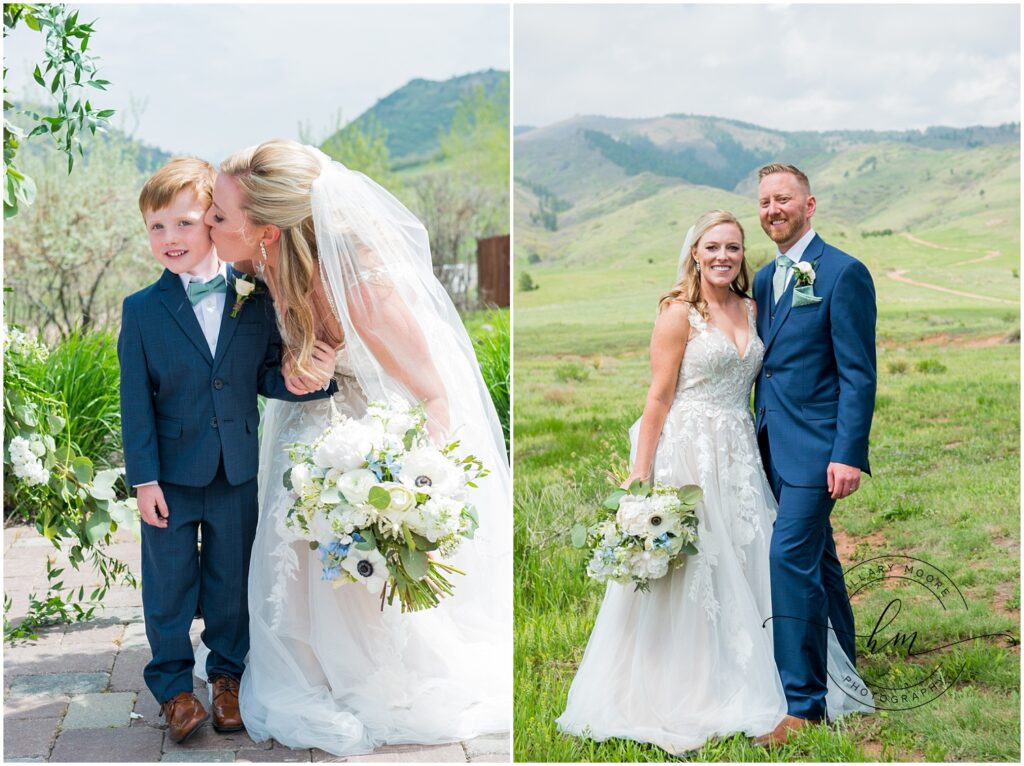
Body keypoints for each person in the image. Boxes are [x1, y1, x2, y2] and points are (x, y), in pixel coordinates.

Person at [202, 139, 511, 755]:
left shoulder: (359, 284)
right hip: (309, 426)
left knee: (353, 556)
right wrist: (293, 369)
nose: (207, 224)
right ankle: (308, 657)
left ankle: (376, 661)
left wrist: (404, 488)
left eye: (218, 215)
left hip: (374, 434)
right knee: (294, 554)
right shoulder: (257, 271)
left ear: (266, 232)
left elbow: (433, 393)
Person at [557, 209, 870, 755]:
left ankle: (784, 669)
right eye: (712, 248)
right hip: (689, 452)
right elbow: (657, 398)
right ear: (695, 255)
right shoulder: (678, 314)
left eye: (732, 247)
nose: (723, 256)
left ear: (741, 255)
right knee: (696, 567)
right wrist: (640, 476)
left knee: (756, 557)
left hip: (743, 453)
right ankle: (688, 683)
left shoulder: (755, 305)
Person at [118, 157, 337, 745]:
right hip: (169, 475)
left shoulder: (255, 295)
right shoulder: (140, 311)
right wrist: (143, 481)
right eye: (156, 227)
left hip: (236, 470)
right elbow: (134, 402)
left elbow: (264, 373)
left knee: (230, 580)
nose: (170, 239)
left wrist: (298, 379)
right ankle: (173, 689)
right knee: (168, 586)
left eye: (185, 223)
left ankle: (227, 677)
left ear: (214, 222)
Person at [752, 163, 876, 745]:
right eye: (765, 202)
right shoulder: (760, 279)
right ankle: (845, 673)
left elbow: (858, 374)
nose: (773, 209)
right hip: (771, 445)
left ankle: (804, 706)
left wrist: (848, 454)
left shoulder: (844, 273)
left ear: (810, 205)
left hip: (820, 451)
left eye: (784, 199)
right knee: (819, 563)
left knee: (787, 560)